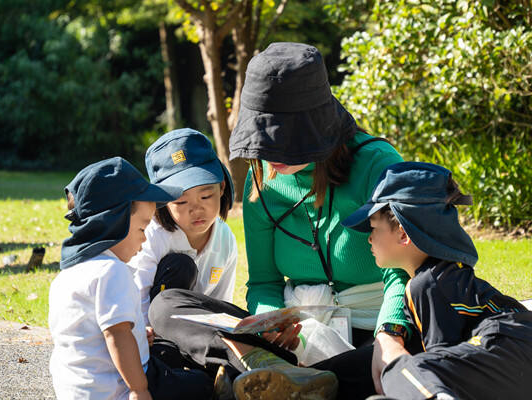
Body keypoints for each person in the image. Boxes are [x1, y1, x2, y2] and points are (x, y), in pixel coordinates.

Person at [147, 42, 410, 400]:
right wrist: (270, 325)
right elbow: (265, 284)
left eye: (284, 139)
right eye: (263, 138)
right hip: (291, 340)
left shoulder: (377, 164)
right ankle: (275, 372)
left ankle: (282, 383)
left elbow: (404, 272)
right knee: (167, 306)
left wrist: (390, 337)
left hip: (376, 332)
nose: (270, 154)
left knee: (408, 356)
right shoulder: (262, 182)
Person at [342, 161, 532, 400]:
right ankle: (313, 376)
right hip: (529, 370)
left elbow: (438, 363)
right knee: (383, 358)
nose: (369, 239)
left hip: (507, 351)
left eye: (373, 228)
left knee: (399, 369)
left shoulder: (428, 282)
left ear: (403, 234)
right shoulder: (439, 276)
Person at [48, 157, 213, 400]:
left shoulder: (67, 276)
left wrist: (137, 334)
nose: (144, 240)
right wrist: (139, 389)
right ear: (115, 223)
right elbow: (116, 335)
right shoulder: (111, 271)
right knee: (201, 386)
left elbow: (88, 336)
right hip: (118, 388)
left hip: (77, 390)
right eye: (141, 229)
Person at [129, 128, 237, 327]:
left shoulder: (225, 238)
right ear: (162, 202)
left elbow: (221, 303)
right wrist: (144, 337)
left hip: (198, 329)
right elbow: (138, 297)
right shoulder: (151, 236)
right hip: (157, 330)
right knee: (180, 266)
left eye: (205, 196)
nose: (196, 209)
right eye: (181, 202)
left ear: (222, 187)